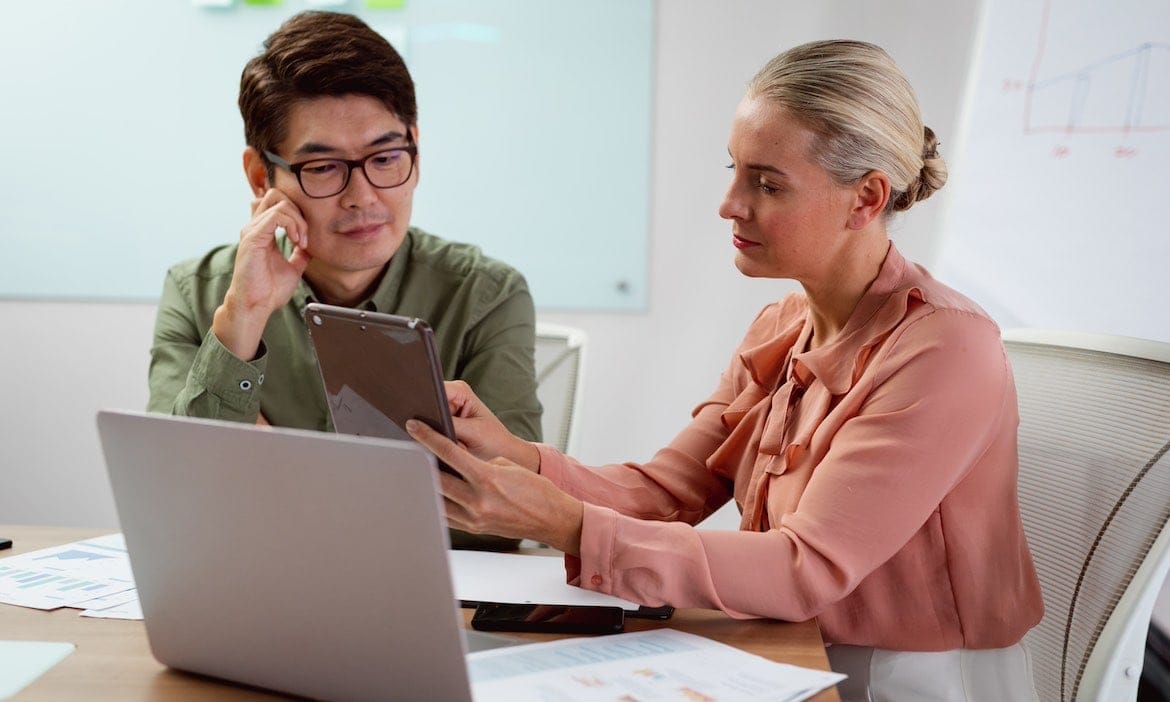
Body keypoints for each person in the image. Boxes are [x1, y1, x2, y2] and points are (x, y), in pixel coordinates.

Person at [407, 40, 1045, 700]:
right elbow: (667, 491)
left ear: (867, 198)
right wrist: (515, 457)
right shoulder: (782, 327)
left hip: (904, 683)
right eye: (734, 170)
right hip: (787, 652)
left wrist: (563, 523)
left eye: (767, 184)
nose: (729, 204)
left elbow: (807, 567)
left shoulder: (946, 350)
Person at [147, 11, 541, 551]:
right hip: (258, 590)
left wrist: (271, 470)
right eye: (325, 166)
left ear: (416, 151)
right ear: (263, 177)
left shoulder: (484, 295)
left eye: (385, 157)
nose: (363, 196)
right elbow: (179, 491)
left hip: (436, 601)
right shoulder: (200, 292)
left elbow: (509, 514)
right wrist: (244, 316)